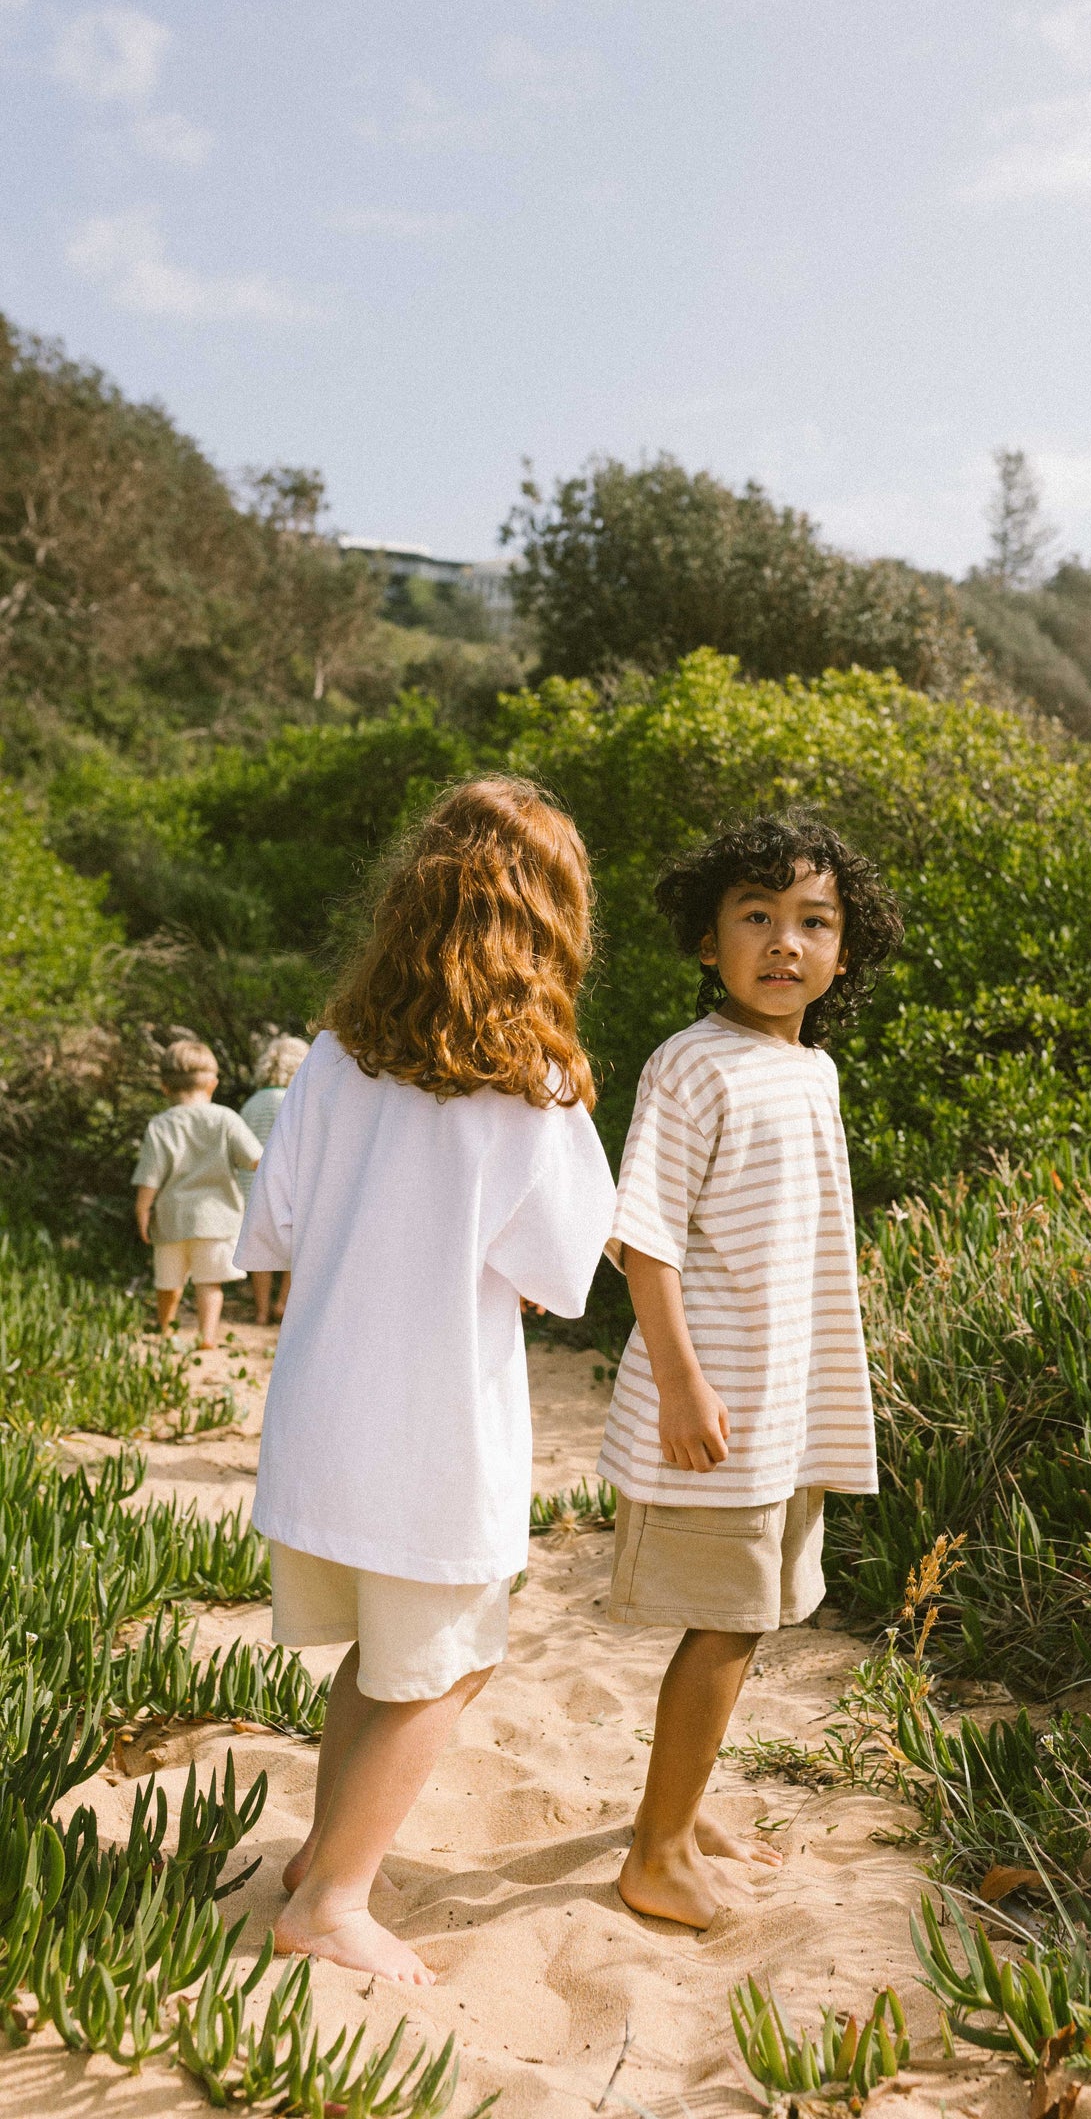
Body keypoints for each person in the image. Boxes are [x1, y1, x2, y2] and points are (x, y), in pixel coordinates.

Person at [235, 777, 615, 1985]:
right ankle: (335, 1894)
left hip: (324, 1411)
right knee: (447, 1659)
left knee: (381, 1651)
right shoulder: (538, 1084)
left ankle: (319, 1859)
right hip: (438, 1423)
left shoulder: (337, 1053)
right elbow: (559, 1274)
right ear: (549, 920)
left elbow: (278, 1221)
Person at [598, 811, 903, 1929]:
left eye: (812, 922)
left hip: (784, 1402)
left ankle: (681, 1807)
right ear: (705, 942)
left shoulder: (807, 1065)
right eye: (756, 916)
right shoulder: (689, 1062)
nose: (785, 942)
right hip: (713, 1400)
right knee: (723, 1622)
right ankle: (655, 1848)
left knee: (753, 1614)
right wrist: (680, 1381)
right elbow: (646, 1236)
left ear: (843, 949)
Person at [132, 1039, 263, 1349]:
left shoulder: (161, 1125)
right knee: (209, 1282)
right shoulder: (226, 1118)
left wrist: (142, 1210)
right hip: (217, 1219)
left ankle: (165, 1330)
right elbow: (257, 1159)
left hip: (171, 1219)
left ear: (164, 1087)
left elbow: (150, 1176)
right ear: (213, 1084)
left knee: (168, 1282)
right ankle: (207, 1337)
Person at [240, 1035, 310, 1326]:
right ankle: (283, 1303)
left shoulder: (252, 1103)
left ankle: (260, 1310)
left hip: (250, 1186)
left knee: (261, 1251)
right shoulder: (295, 1100)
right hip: (287, 1185)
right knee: (294, 1247)